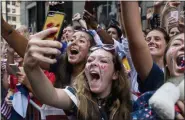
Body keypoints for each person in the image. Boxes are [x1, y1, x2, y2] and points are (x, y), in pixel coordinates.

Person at [23, 41, 131, 120]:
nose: (93, 63)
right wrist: (31, 68)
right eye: (90, 60)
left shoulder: (131, 104)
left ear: (115, 74)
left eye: (103, 61)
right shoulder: (78, 97)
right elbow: (52, 95)